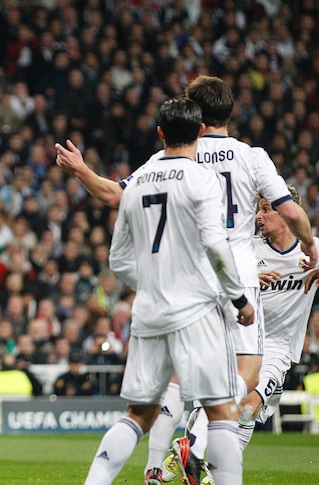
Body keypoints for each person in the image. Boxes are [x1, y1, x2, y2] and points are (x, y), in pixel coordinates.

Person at [57, 75, 317, 484]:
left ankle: (151, 469)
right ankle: (196, 448)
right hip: (236, 279)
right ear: (228, 113)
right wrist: (309, 245)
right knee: (234, 392)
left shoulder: (159, 167)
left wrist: (82, 170)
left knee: (156, 399)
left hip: (177, 290)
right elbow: (287, 213)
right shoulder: (249, 157)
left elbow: (113, 205)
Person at [83, 97, 254, 485]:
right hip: (196, 312)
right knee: (220, 412)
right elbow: (215, 245)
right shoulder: (202, 179)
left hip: (149, 311)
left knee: (137, 415)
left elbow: (119, 260)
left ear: (160, 133)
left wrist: (155, 283)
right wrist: (239, 298)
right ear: (199, 133)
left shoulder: (137, 181)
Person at [238, 187, 319, 438]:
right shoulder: (247, 249)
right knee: (223, 410)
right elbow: (212, 282)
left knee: (248, 409)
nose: (257, 217)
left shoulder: (312, 249)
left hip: (278, 347)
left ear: (286, 213)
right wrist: (249, 279)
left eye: (264, 209)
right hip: (241, 343)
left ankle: (206, 465)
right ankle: (193, 450)